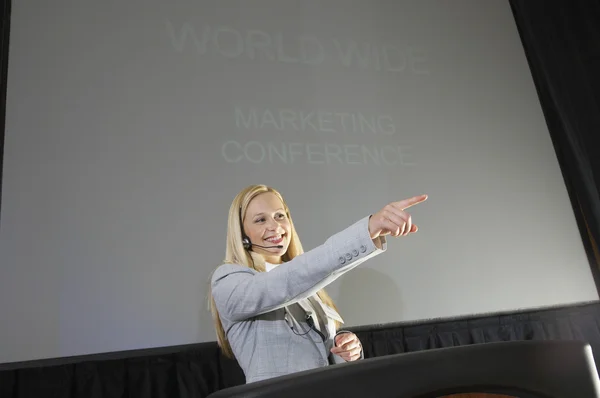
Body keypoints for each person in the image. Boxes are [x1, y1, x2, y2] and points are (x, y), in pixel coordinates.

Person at [209, 184, 427, 384]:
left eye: (280, 216)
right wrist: (368, 229)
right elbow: (289, 279)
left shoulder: (310, 288)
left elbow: (324, 355)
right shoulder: (228, 280)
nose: (275, 226)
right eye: (260, 220)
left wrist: (346, 349)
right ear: (241, 233)